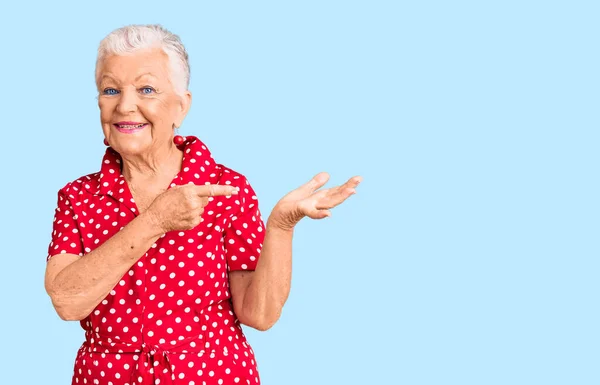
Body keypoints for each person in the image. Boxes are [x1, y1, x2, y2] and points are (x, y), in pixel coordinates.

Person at [44, 24, 361, 385]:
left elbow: (259, 315)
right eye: (110, 89)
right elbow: (68, 302)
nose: (125, 106)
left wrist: (281, 227)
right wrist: (156, 220)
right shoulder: (77, 197)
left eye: (146, 89)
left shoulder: (227, 189)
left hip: (212, 374)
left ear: (182, 105)